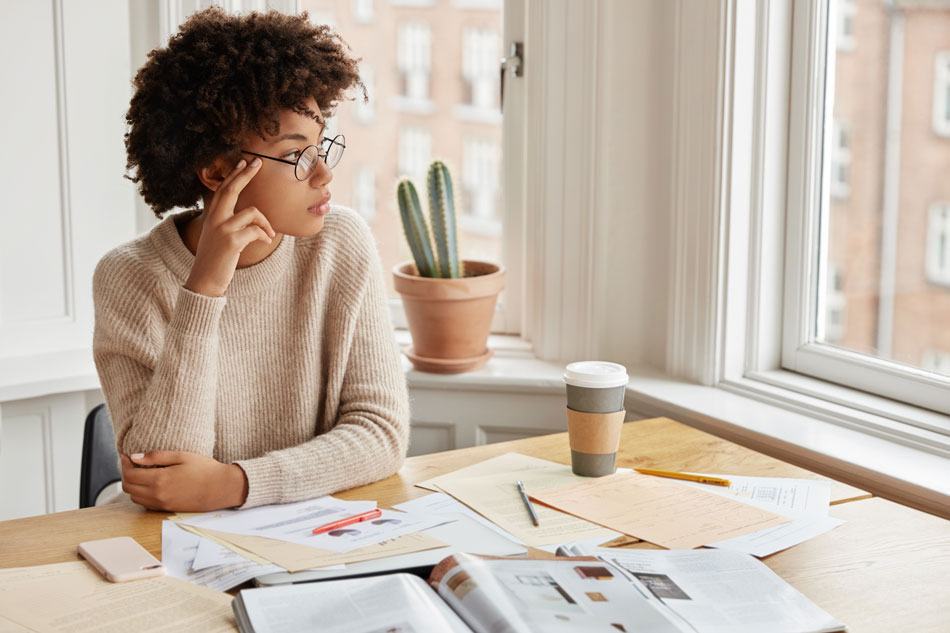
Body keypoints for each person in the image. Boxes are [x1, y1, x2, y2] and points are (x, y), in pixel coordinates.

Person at [92, 7, 409, 512]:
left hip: (321, 539)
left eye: (322, 143)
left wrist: (234, 484)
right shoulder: (130, 277)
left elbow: (380, 433)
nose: (324, 174)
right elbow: (161, 473)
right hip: (181, 554)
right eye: (298, 153)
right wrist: (204, 290)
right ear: (219, 173)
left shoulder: (340, 242)